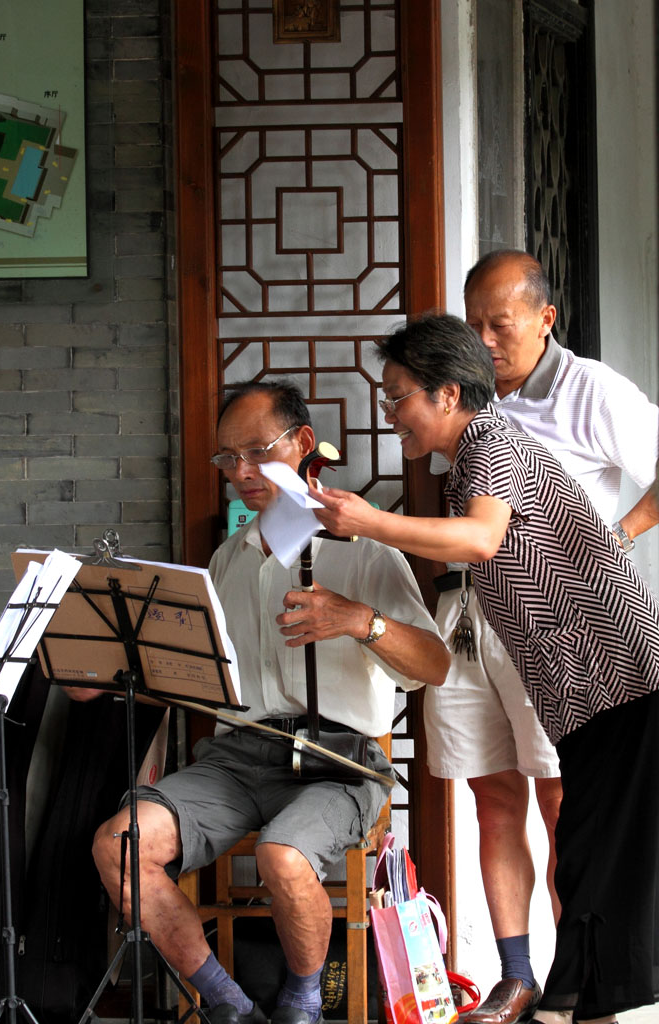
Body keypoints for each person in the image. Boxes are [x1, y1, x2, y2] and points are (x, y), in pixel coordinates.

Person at [314, 312, 659, 1024]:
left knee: (597, 849)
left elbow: (478, 539)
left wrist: (368, 522)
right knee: (592, 849)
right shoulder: (472, 455)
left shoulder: (491, 440)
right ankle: (575, 1000)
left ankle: (579, 1003)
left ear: (446, 394)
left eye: (398, 395)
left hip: (617, 678)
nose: (390, 415)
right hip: (587, 688)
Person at [76, 381, 450, 1024]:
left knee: (283, 853)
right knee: (121, 844)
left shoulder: (365, 550)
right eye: (228, 459)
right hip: (238, 757)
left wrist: (360, 620)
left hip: (340, 761)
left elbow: (436, 665)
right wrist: (112, 676)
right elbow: (199, 678)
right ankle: (227, 1003)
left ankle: (302, 1002)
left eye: (256, 451)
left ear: (304, 445)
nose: (240, 472)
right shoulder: (227, 561)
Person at [424, 250, 659, 1024]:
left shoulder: (591, 389)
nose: (487, 338)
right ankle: (518, 975)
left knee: (566, 800)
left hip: (562, 630)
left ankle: (576, 976)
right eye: (475, 323)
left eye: (503, 323)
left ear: (545, 317)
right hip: (468, 618)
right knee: (493, 796)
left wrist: (619, 535)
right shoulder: (465, 397)